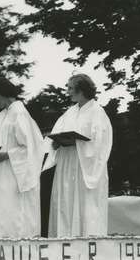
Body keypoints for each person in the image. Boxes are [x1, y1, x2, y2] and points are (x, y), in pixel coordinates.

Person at [0, 78, 44, 239]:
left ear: (3, 95)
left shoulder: (19, 112)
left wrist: (5, 155)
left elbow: (30, 146)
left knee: (9, 207)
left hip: (11, 171)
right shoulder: (3, 114)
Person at [44, 74, 113, 237]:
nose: (67, 92)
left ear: (81, 90)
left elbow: (101, 142)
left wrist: (77, 143)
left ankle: (87, 240)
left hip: (85, 168)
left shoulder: (97, 112)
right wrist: (55, 142)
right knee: (66, 204)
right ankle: (64, 239)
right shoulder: (69, 113)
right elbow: (56, 134)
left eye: (70, 88)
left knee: (85, 205)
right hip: (67, 165)